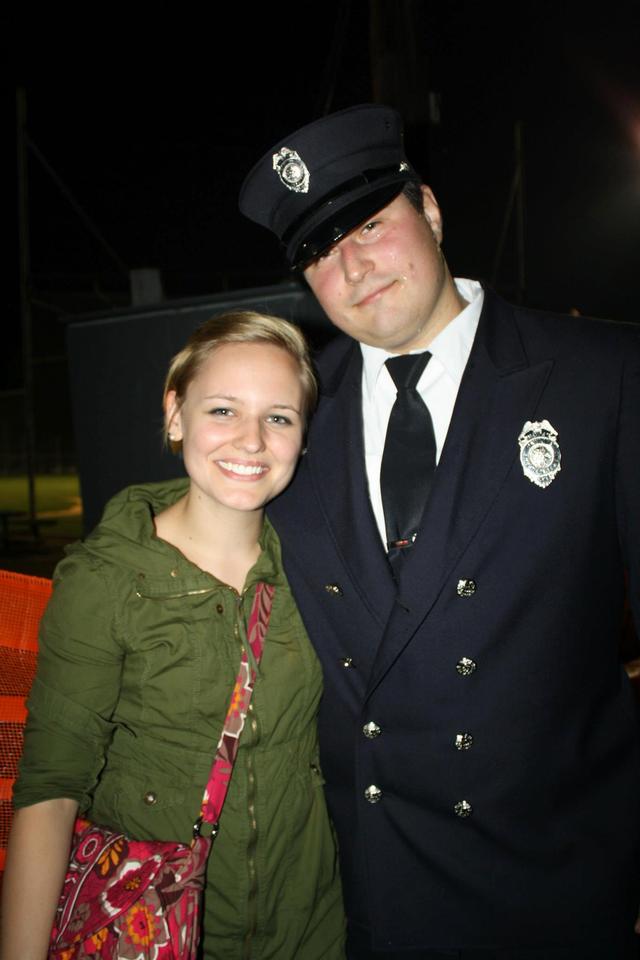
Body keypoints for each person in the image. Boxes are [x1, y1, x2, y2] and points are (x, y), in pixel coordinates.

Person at [239, 104, 640, 958]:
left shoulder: (603, 378)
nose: (351, 267)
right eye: (319, 251)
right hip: (372, 903)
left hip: (559, 890)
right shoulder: (288, 425)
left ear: (429, 209)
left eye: (371, 226)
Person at [1, 312, 346, 960]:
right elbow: (51, 786)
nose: (251, 441)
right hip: (154, 930)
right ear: (175, 414)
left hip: (310, 929)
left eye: (279, 416)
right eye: (222, 409)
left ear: (302, 437)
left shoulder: (319, 568)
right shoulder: (108, 580)